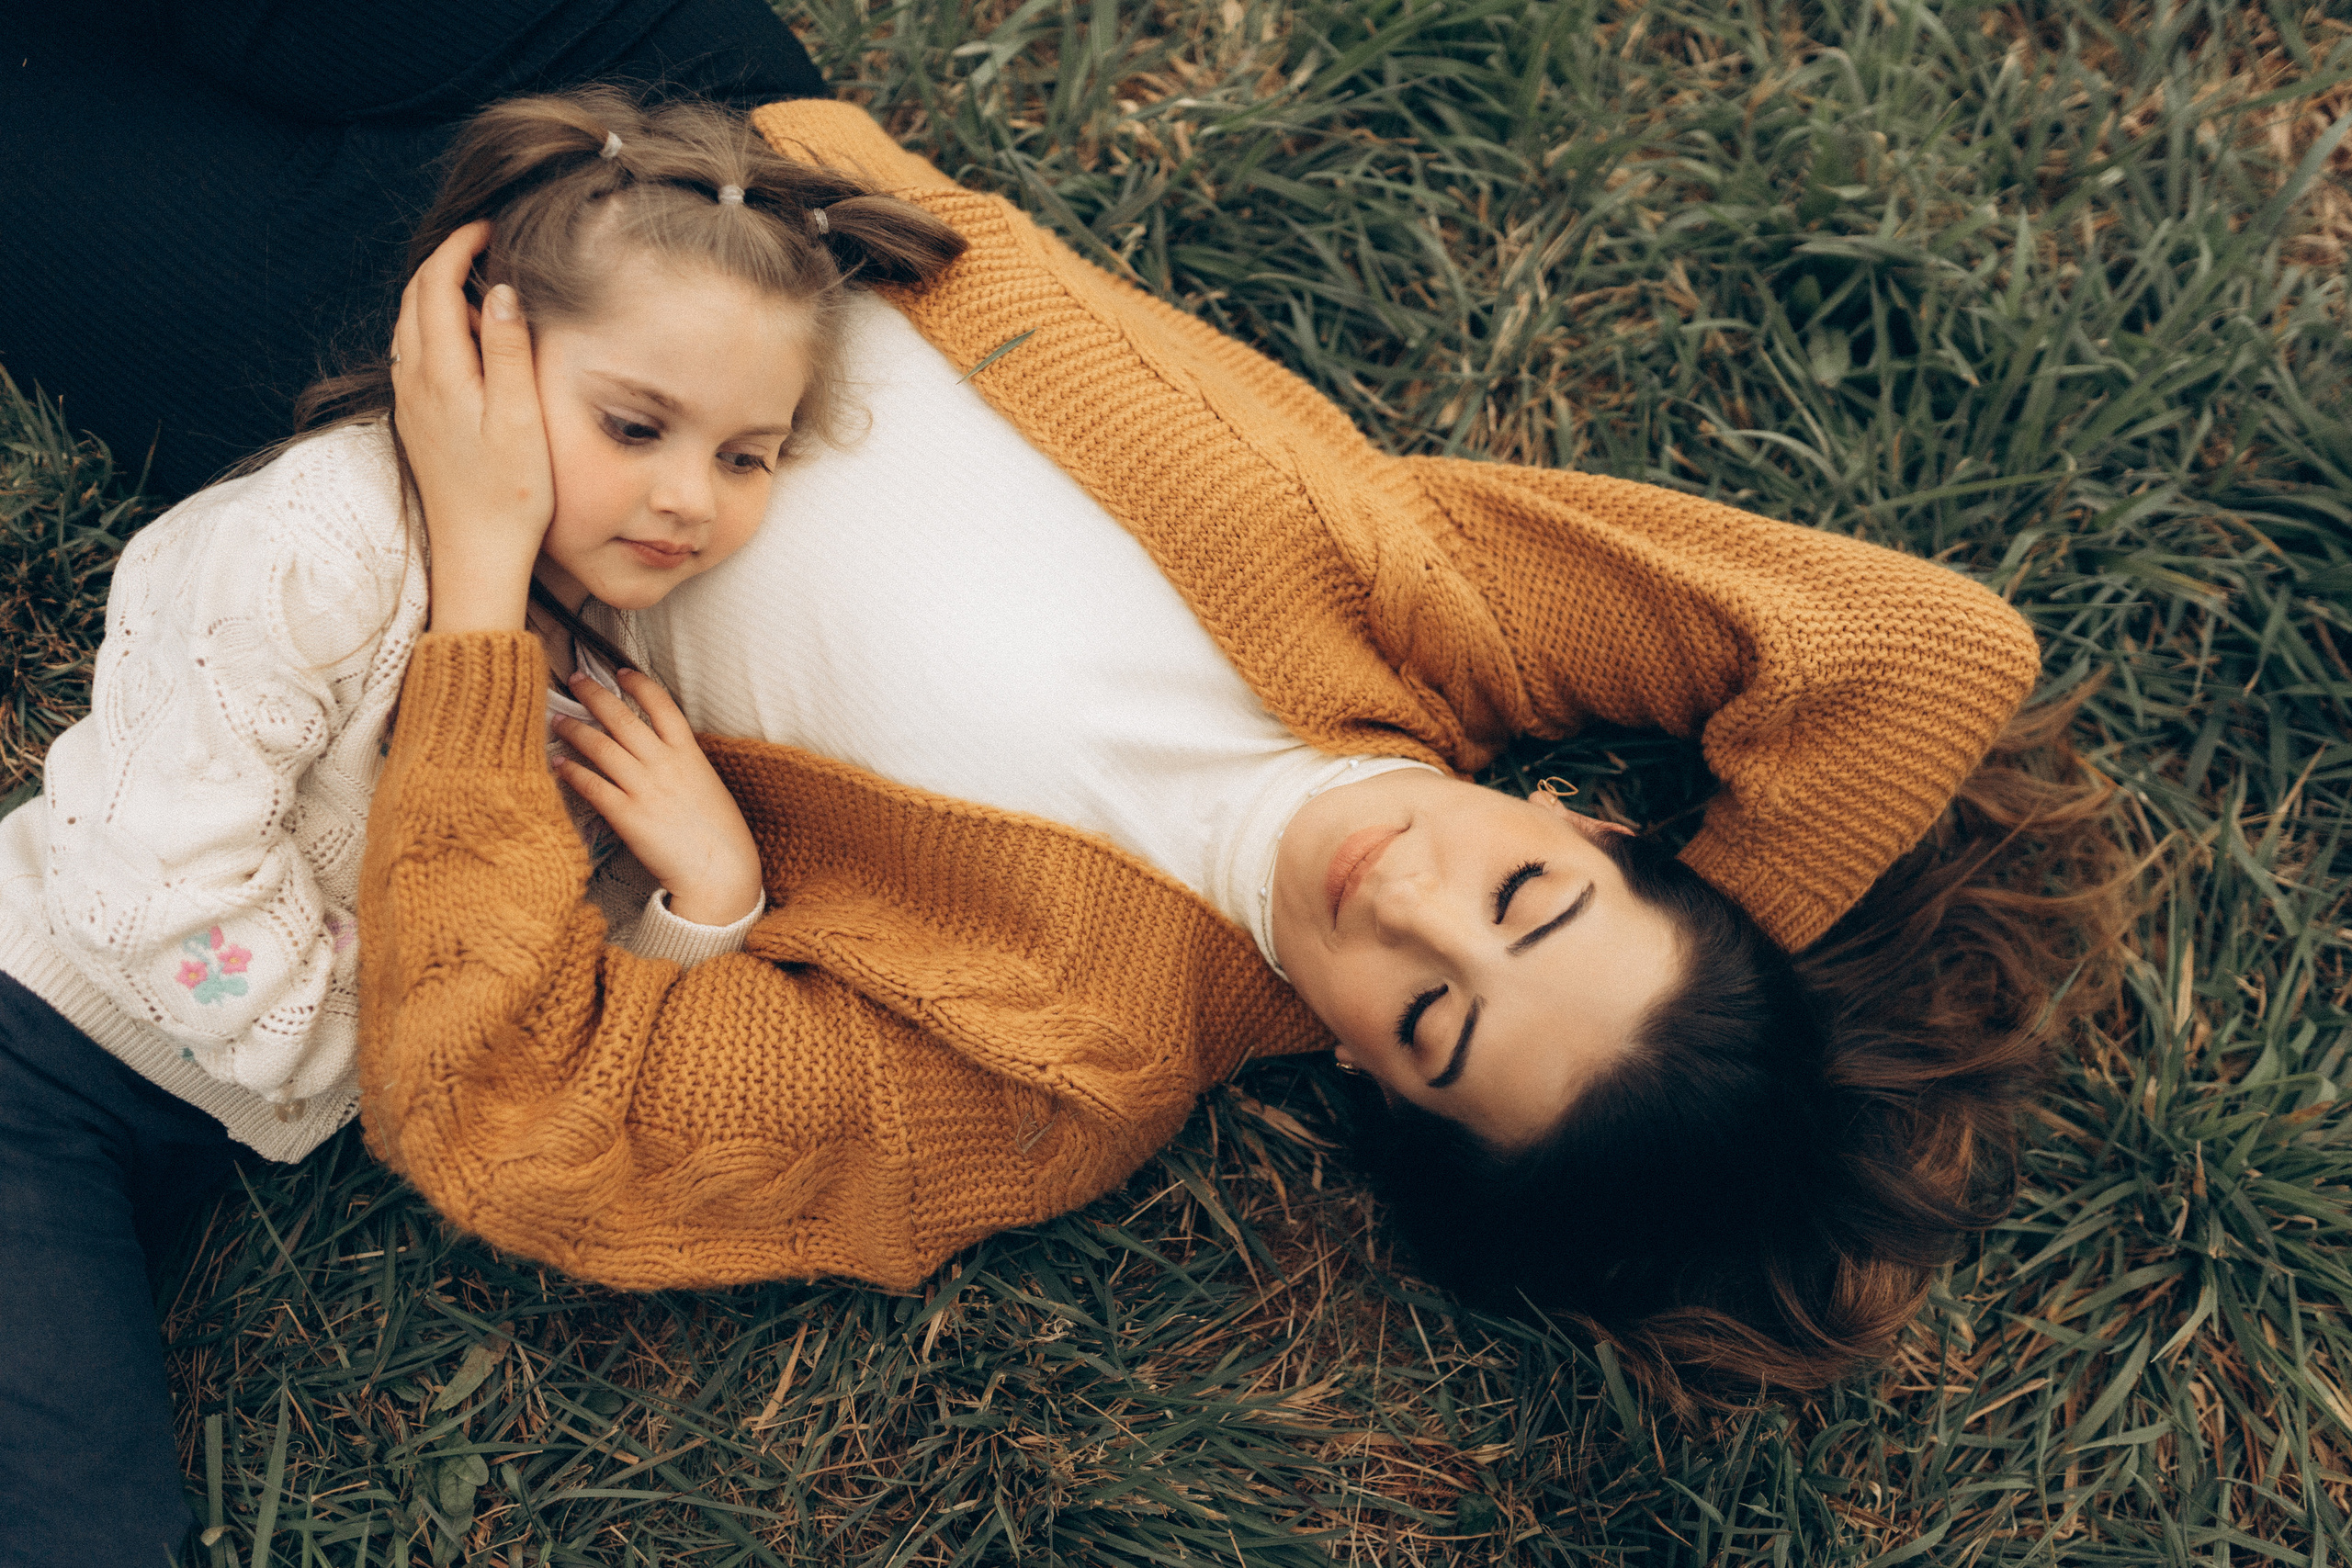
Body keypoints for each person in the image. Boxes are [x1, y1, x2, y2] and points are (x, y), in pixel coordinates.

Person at [365, 100, 2120, 1410]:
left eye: (1437, 1021)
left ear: (1371, 1080)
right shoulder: (1437, 621)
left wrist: (469, 584)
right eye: (1529, 896)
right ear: (1579, 817)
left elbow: (517, 1122)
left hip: (393, 388)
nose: (1415, 907)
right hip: (690, 146)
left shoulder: (1063, 1072)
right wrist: (1735, 996)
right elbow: (1922, 653)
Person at [0, 32, 965, 1564]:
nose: (686, 499)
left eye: (746, 455)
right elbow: (149, 887)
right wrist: (404, 1063)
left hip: (195, 1128)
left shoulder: (605, 667)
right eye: (634, 427)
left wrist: (705, 896)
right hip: (42, 1049)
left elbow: (556, 1015)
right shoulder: (320, 545)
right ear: (489, 364)